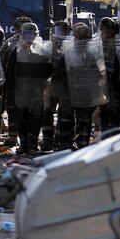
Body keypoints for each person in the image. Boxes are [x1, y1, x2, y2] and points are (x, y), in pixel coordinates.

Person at [8, 22, 52, 155]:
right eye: (27, 34)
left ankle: (32, 144)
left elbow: (49, 69)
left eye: (32, 34)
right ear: (22, 35)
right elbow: (10, 73)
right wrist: (10, 92)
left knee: (37, 117)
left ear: (36, 35)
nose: (29, 37)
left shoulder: (42, 50)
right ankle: (24, 144)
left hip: (37, 90)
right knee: (21, 117)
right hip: (20, 90)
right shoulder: (15, 51)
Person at [0, 16, 33, 148]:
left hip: (31, 83)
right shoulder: (9, 43)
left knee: (28, 111)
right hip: (13, 82)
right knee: (12, 110)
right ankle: (13, 136)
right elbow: (2, 61)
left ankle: (28, 138)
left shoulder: (36, 43)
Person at [41, 21, 71, 152]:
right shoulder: (48, 46)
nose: (61, 34)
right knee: (48, 111)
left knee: (64, 114)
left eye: (64, 31)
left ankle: (60, 140)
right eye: (59, 30)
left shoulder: (71, 46)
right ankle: (47, 141)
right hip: (51, 84)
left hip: (66, 84)